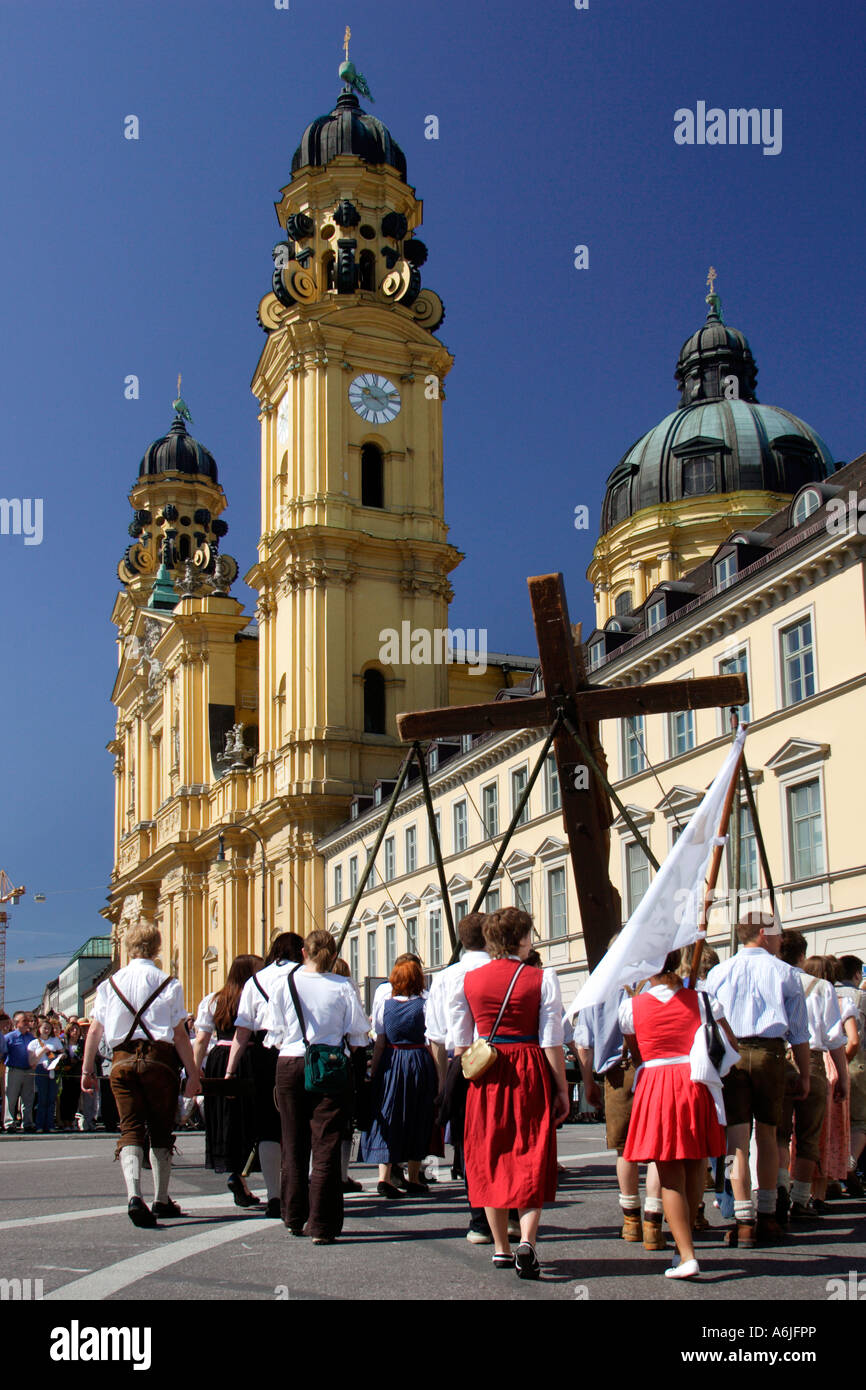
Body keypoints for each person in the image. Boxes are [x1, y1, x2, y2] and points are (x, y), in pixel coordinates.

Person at [451, 907, 569, 1280]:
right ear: (520, 938)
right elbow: (552, 1041)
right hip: (529, 1067)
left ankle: (500, 1247)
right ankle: (528, 1242)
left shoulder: (469, 980)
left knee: (490, 1154)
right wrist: (561, 1088)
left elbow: (459, 1043)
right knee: (531, 1153)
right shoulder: (542, 978)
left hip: (488, 1074)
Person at [619, 948, 734, 1279]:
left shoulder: (631, 1007)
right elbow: (728, 1041)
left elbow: (635, 1046)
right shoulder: (701, 1000)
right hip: (695, 1081)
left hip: (658, 1082)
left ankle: (686, 1255)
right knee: (695, 1164)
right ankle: (683, 1244)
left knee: (670, 1174)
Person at [81, 919, 199, 1228]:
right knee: (161, 1129)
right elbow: (179, 1035)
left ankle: (134, 1195)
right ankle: (161, 1199)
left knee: (129, 1128)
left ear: (129, 947)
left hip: (121, 1061)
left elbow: (95, 1030)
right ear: (157, 947)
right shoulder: (169, 983)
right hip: (159, 1062)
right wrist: (193, 1073)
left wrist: (86, 1069)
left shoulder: (110, 984)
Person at [705, 911, 810, 1247]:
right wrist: (805, 1074)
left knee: (735, 1137)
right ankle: (767, 1213)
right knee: (766, 1132)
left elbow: (706, 1019)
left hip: (731, 1055)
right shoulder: (786, 973)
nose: (781, 941)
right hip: (770, 1053)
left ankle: (743, 1216)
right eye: (778, 935)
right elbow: (799, 1033)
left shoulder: (719, 972)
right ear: (765, 934)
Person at [264, 929, 370, 1244]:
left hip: (291, 1063)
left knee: (293, 1142)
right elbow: (358, 1034)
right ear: (333, 954)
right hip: (331, 1065)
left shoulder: (285, 983)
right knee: (325, 1145)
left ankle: (294, 1215)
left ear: (304, 953)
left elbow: (275, 1032)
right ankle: (322, 1225)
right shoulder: (343, 985)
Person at [575, 982, 667, 1251]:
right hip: (651, 1070)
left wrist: (588, 1083)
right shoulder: (653, 984)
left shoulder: (598, 988)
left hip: (616, 1075)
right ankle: (653, 1224)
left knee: (624, 1150)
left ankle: (631, 1222)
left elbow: (583, 1043)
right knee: (656, 1151)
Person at [224, 931, 305, 1218]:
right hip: (297, 1050)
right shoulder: (305, 974)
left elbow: (242, 1031)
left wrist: (230, 1070)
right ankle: (299, 1190)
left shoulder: (254, 981)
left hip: (261, 1055)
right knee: (299, 1123)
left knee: (268, 1128)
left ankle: (274, 1196)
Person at [422, 912, 491, 1242]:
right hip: (499, 1057)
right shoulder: (499, 970)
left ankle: (479, 1217)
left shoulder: (447, 976)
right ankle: (506, 1212)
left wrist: (442, 1081)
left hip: (462, 1061)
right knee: (503, 1135)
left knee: (468, 1141)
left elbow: (436, 1034)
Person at [776, 932, 848, 1223]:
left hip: (779, 1057)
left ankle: (778, 1189)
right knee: (809, 1134)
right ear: (802, 955)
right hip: (815, 1060)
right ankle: (801, 1200)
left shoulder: (773, 980)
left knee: (778, 1134)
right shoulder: (821, 987)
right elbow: (835, 1038)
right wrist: (842, 1076)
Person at [362, 956, 440, 1197]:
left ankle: (383, 1177)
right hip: (417, 1059)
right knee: (418, 1114)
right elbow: (432, 1040)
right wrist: (438, 1072)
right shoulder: (425, 1004)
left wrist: (373, 1071)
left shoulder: (385, 1005)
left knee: (388, 1113)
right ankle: (414, 1177)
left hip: (391, 1061)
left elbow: (380, 1041)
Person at [193, 954, 263, 1206]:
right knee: (250, 1117)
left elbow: (202, 1038)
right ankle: (243, 1170)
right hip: (247, 1058)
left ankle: (234, 1171)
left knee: (225, 1117)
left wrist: (194, 1068)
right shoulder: (254, 998)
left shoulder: (213, 1000)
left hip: (218, 1057)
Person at [834, 955, 866, 1195]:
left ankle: (830, 1176)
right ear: (857, 974)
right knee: (859, 1122)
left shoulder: (825, 991)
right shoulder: (860, 997)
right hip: (856, 1060)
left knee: (833, 1122)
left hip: (827, 1059)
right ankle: (850, 1163)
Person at [29, 1017, 65, 1132]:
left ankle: (50, 1124)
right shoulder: (34, 1043)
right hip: (41, 1069)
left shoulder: (55, 1040)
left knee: (51, 1098)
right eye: (44, 1028)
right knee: (42, 1098)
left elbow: (62, 1053)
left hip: (53, 1069)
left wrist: (61, 1057)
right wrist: (43, 1050)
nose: (47, 1030)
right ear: (39, 1029)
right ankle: (39, 1125)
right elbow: (32, 1061)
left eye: (49, 1028)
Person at [4, 1012, 37, 1131]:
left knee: (28, 1099)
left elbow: (38, 1050)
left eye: (28, 1021)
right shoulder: (9, 1037)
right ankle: (9, 1123)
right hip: (14, 1071)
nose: (27, 1023)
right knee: (11, 1097)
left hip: (28, 1071)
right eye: (24, 1021)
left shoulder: (31, 1038)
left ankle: (27, 1122)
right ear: (16, 1023)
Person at [58, 1022, 85, 1130]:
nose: (75, 1031)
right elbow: (62, 1054)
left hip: (77, 1073)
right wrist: (69, 1060)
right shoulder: (64, 1042)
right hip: (66, 1073)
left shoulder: (82, 1043)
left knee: (75, 1098)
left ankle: (71, 1120)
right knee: (65, 1097)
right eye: (73, 1029)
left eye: (77, 1029)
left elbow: (83, 1054)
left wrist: (79, 1059)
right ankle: (65, 1121)